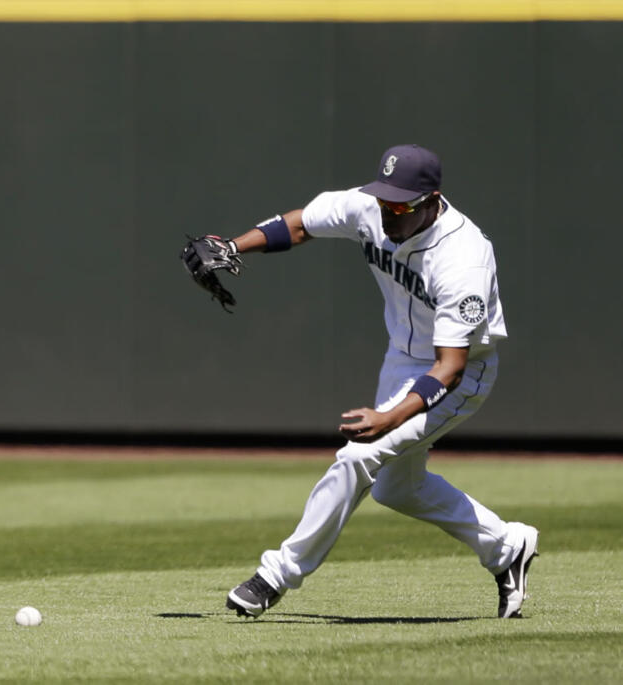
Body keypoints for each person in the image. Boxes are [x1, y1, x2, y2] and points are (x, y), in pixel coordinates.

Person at [218, 144, 538, 619]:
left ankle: (276, 575)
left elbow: (449, 366)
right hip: (402, 358)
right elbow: (302, 223)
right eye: (385, 199)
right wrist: (232, 247)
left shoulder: (464, 258)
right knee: (396, 489)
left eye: (402, 204)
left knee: (358, 456)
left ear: (432, 200)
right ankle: (508, 547)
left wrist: (389, 416)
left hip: (459, 372)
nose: (389, 212)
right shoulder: (374, 206)